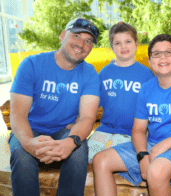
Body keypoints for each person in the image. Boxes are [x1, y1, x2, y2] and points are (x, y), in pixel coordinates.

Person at [92, 34, 171, 196]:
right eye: (156, 54)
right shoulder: (147, 89)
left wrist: (166, 144)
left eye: (169, 52)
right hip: (152, 145)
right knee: (101, 160)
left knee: (155, 172)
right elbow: (138, 130)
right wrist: (142, 156)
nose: (163, 57)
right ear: (150, 61)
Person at [9, 18, 101, 196]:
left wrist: (70, 142)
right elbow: (18, 115)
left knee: (79, 148)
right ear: (62, 35)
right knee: (22, 154)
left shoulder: (89, 74)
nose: (81, 44)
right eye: (76, 36)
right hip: (30, 129)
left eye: (88, 41)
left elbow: (87, 118)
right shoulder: (31, 64)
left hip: (63, 131)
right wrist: (28, 143)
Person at [87, 22, 154, 163]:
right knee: (84, 157)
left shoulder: (146, 74)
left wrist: (148, 132)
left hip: (131, 133)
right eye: (118, 43)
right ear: (112, 47)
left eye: (128, 41)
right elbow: (92, 104)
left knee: (105, 160)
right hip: (104, 129)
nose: (123, 46)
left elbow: (153, 107)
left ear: (136, 44)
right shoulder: (105, 72)